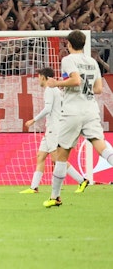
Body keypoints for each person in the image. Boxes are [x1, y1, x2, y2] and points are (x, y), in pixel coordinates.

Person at [42, 30, 113, 208]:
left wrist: (56, 83)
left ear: (69, 44)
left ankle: (55, 197)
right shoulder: (92, 62)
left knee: (61, 154)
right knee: (101, 146)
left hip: (73, 111)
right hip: (90, 109)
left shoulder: (68, 60)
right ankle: (56, 196)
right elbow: (98, 89)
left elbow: (75, 81)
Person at [21, 67, 90, 194]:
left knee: (57, 158)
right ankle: (34, 187)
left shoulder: (50, 89)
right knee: (40, 156)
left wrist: (33, 120)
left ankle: (82, 180)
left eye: (38, 77)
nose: (38, 80)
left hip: (54, 128)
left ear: (43, 76)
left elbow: (48, 109)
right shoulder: (56, 90)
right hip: (51, 128)